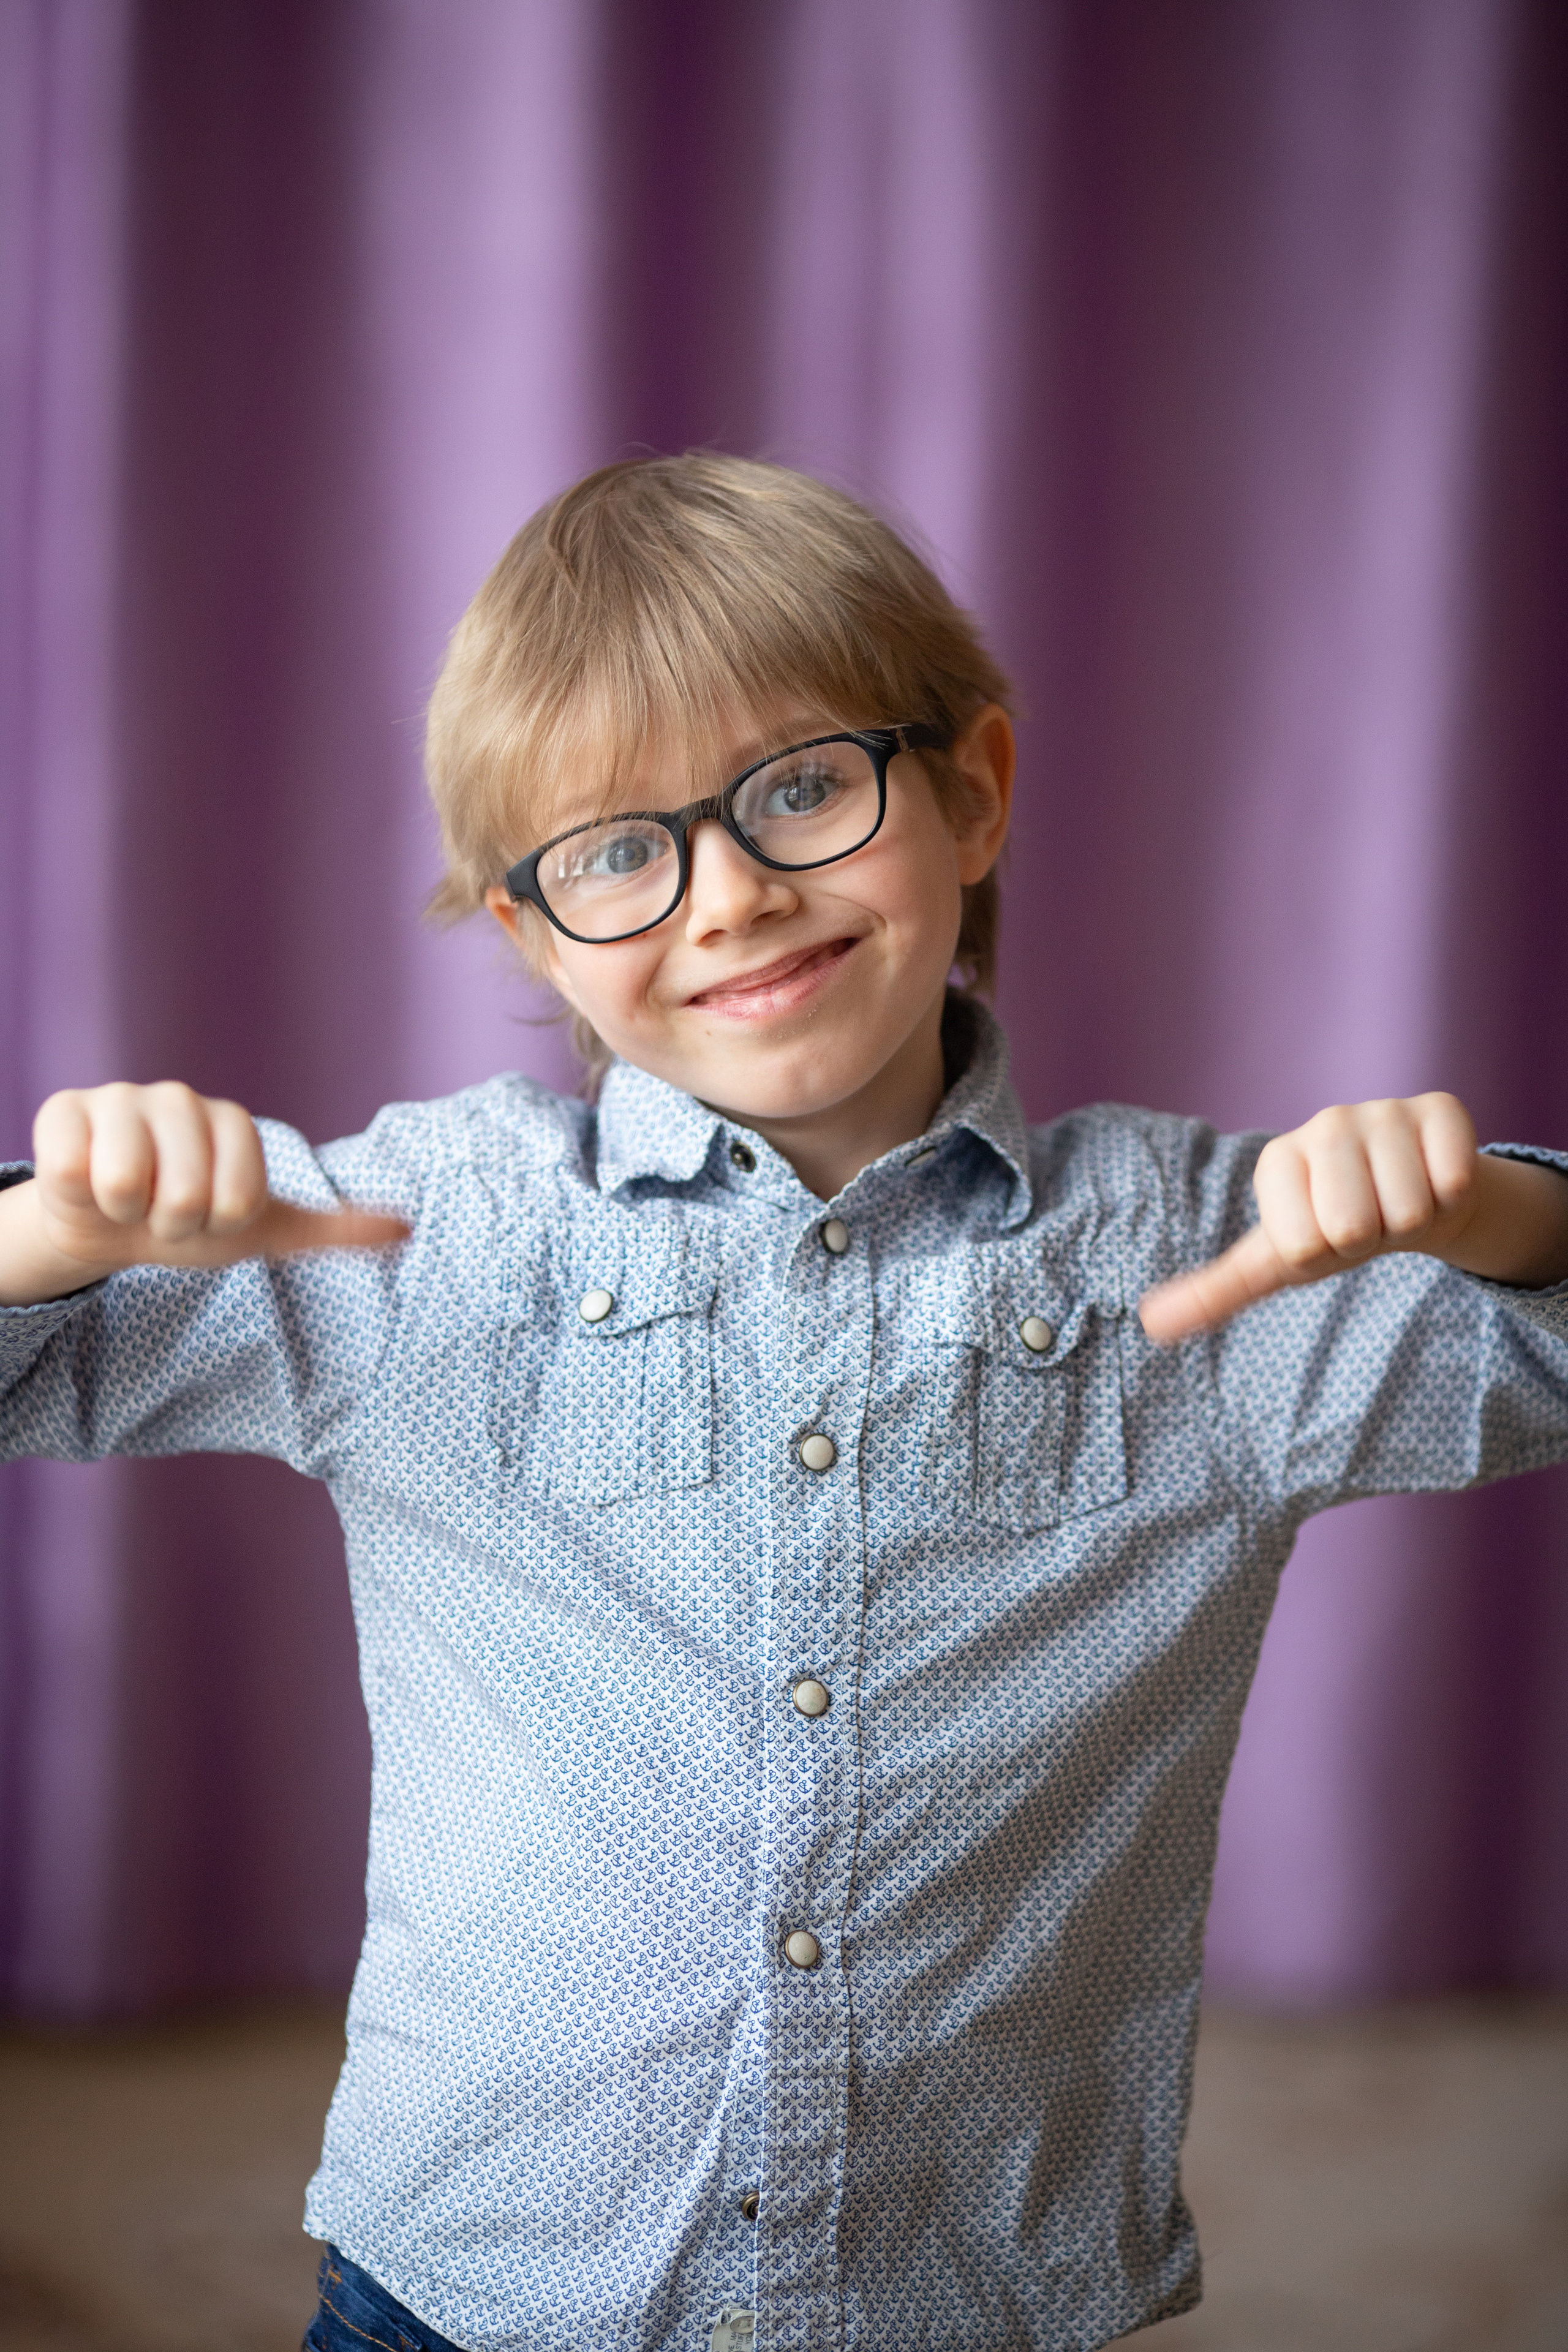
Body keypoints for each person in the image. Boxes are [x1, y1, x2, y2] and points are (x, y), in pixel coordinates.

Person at [2, 454, 1567, 2352]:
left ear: (973, 792)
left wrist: (1504, 1216)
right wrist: (47, 1236)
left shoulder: (1208, 1263)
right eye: (614, 852)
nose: (733, 896)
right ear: (530, 933)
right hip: (468, 2293)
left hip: (976, 2306)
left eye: (805, 787)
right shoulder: (428, 1237)